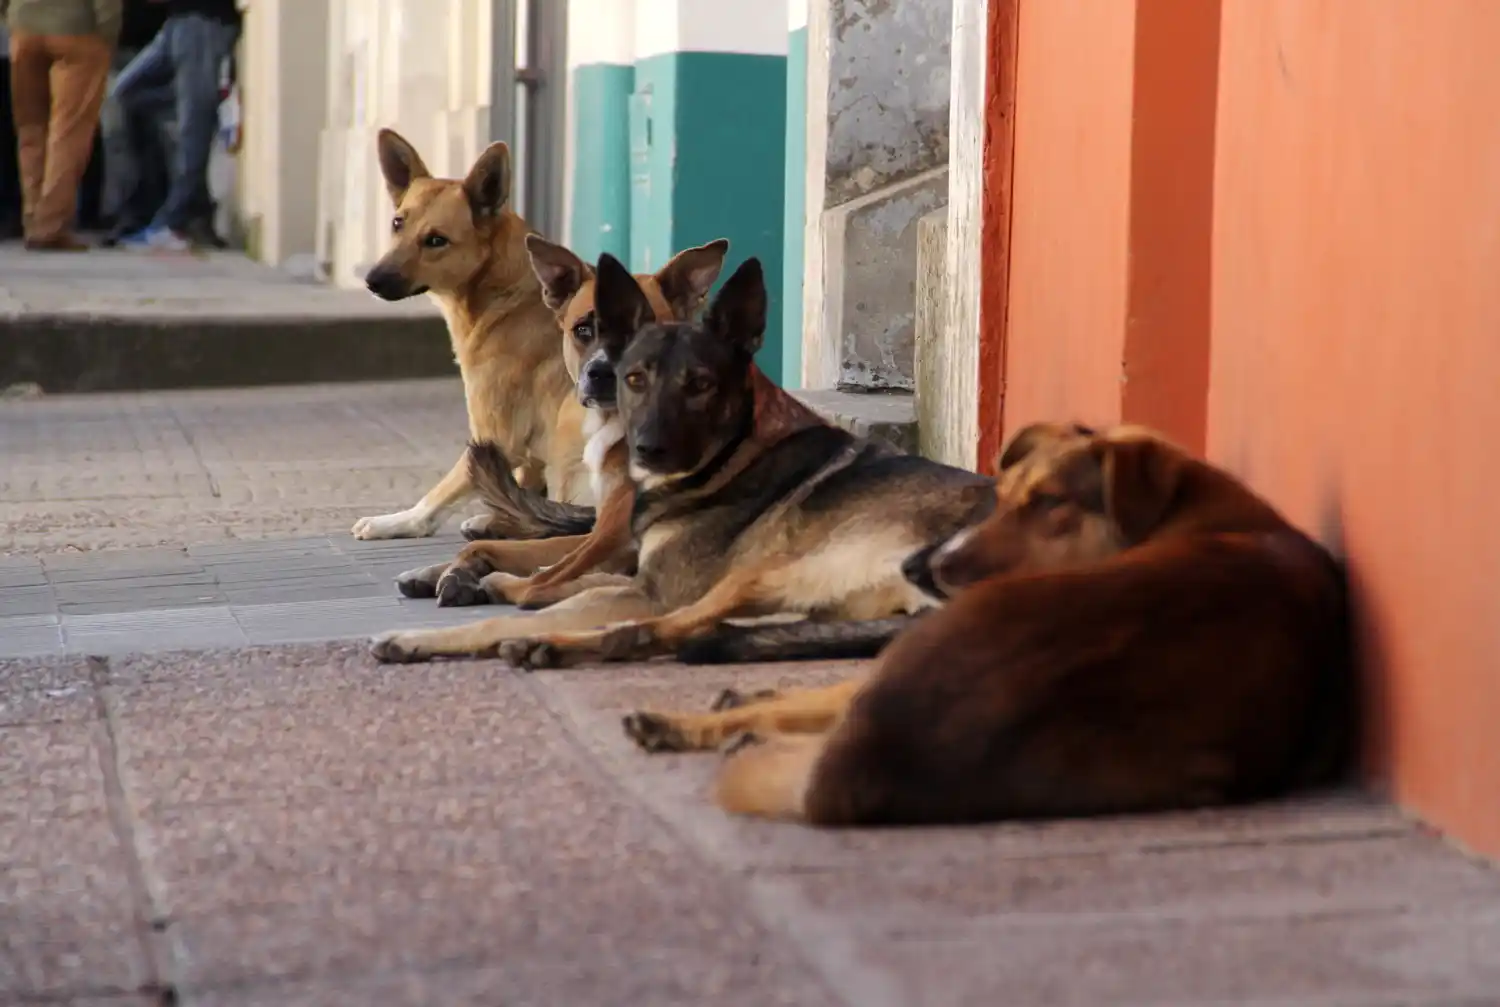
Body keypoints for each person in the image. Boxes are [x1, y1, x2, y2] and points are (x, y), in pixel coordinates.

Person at [111, 0, 239, 252]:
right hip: (177, 21)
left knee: (194, 127)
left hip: (204, 21)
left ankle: (171, 221)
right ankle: (188, 206)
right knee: (125, 93)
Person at [1, 0, 121, 251]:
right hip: (77, 28)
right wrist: (107, 35)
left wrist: (10, 17)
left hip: (23, 27)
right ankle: (50, 227)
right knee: (68, 131)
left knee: (30, 129)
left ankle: (33, 218)